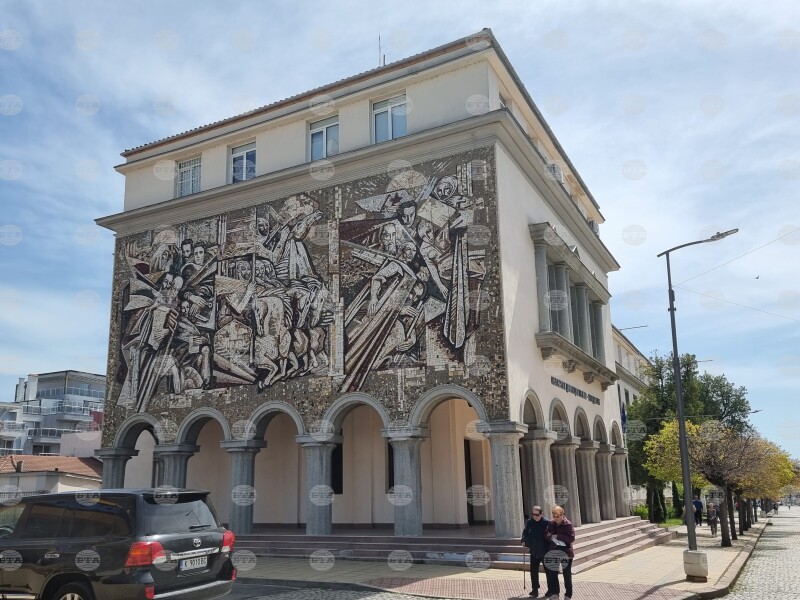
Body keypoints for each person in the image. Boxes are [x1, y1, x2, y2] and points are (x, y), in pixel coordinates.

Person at [544, 505, 575, 600]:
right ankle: (555, 593)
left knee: (566, 574)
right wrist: (549, 536)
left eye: (557, 516)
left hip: (566, 552)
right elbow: (546, 534)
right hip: (554, 551)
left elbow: (571, 538)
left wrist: (558, 536)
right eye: (554, 516)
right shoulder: (551, 523)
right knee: (553, 573)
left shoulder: (568, 524)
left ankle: (568, 595)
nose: (555, 518)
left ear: (562, 515)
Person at [520, 506, 550, 597]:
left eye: (537, 514)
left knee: (548, 572)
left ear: (541, 514)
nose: (535, 516)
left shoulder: (547, 523)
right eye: (533, 514)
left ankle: (550, 590)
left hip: (545, 551)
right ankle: (535, 590)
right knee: (533, 571)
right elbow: (525, 532)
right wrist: (523, 540)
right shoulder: (530, 522)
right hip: (534, 550)